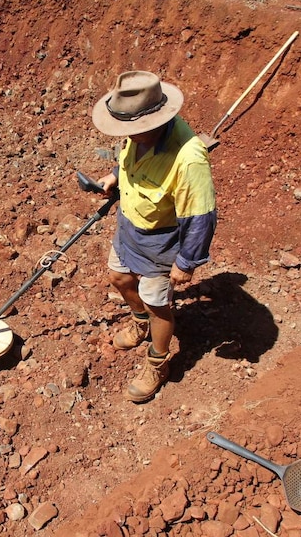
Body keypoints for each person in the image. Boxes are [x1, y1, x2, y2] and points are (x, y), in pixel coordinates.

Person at [91, 71, 217, 403]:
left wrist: (186, 262)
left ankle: (158, 362)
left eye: (130, 129)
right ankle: (139, 323)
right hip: (130, 228)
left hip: (162, 243)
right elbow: (129, 156)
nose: (126, 134)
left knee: (157, 302)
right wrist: (114, 177)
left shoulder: (189, 159)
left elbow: (201, 216)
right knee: (119, 277)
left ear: (154, 120)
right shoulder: (139, 131)